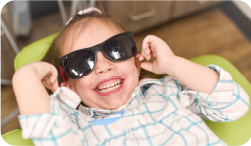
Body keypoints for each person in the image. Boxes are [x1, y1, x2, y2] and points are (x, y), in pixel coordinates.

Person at [13, 7, 249, 146]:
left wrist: (172, 64)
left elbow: (234, 105)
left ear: (136, 63)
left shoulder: (168, 91)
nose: (103, 67)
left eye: (116, 49)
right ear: (69, 87)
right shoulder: (73, 125)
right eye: (81, 62)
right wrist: (26, 77)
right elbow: (47, 131)